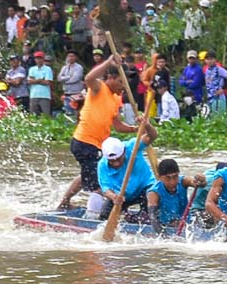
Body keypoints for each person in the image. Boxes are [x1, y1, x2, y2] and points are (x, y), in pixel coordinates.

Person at [61, 54, 151, 211]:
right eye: (120, 82)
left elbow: (116, 125)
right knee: (98, 185)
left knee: (86, 176)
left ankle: (64, 201)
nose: (123, 86)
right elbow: (89, 78)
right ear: (110, 77)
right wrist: (108, 62)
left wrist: (135, 129)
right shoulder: (99, 88)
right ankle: (93, 216)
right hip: (84, 141)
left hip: (97, 145)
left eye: (125, 83)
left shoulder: (116, 98)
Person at [89, 134, 153, 220]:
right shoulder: (102, 165)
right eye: (112, 161)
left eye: (118, 159)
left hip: (144, 189)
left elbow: (152, 136)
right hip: (121, 195)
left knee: (150, 214)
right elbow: (106, 189)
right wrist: (114, 197)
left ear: (123, 152)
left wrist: (147, 125)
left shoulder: (132, 146)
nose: (116, 164)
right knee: (104, 217)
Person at [144, 158, 196, 233]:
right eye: (168, 178)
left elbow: (195, 182)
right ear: (159, 177)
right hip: (166, 225)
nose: (172, 182)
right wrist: (164, 237)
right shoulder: (153, 193)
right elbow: (153, 218)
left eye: (175, 177)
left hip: (187, 224)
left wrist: (200, 181)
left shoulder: (183, 181)